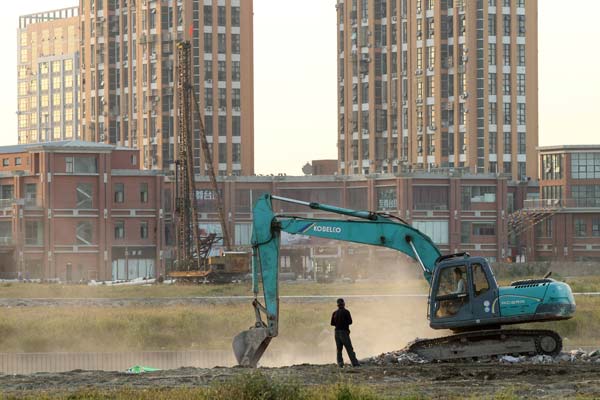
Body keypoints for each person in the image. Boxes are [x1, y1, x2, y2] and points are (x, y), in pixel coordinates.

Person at [330, 298, 360, 367]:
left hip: (337, 332)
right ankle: (355, 363)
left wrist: (338, 323)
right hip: (344, 332)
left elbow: (332, 323)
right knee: (349, 348)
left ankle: (340, 364)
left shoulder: (334, 313)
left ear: (337, 305)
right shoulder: (346, 312)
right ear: (343, 304)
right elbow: (350, 322)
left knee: (339, 349)